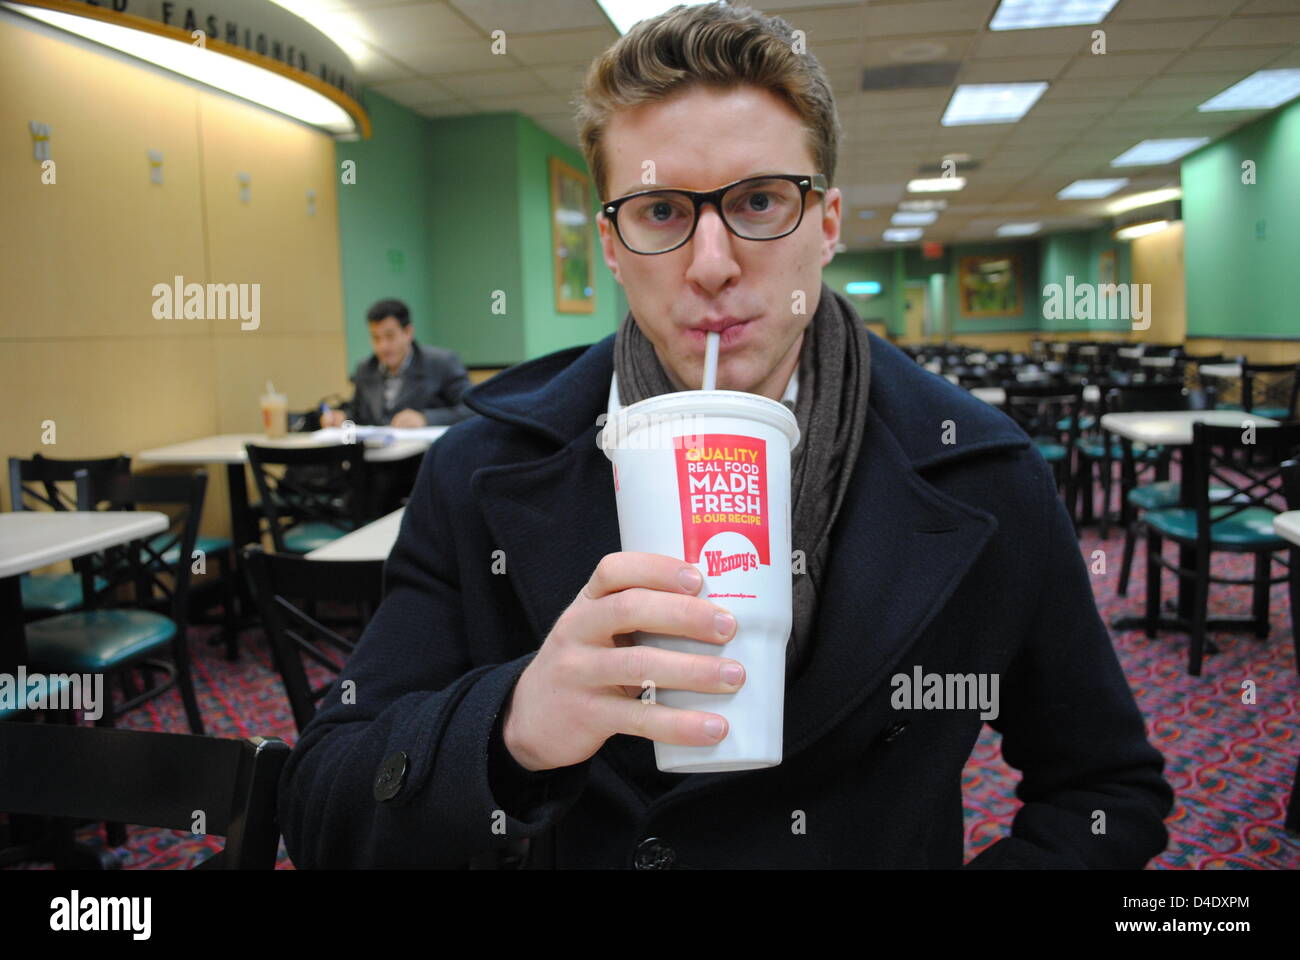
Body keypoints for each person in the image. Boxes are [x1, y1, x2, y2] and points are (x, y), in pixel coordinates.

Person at [280, 2, 1172, 869]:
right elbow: (323, 808)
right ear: (614, 247)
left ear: (825, 225)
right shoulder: (483, 466)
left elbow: (1106, 791)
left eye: (757, 201)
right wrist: (511, 724)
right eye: (662, 211)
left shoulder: (983, 472)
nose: (712, 264)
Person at [321, 299, 474, 428]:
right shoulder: (365, 368)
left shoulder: (442, 363)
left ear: (408, 333)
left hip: (423, 457)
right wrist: (341, 418)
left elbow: (472, 409)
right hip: (376, 458)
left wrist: (426, 418)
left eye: (390, 336)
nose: (383, 346)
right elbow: (358, 413)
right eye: (376, 338)